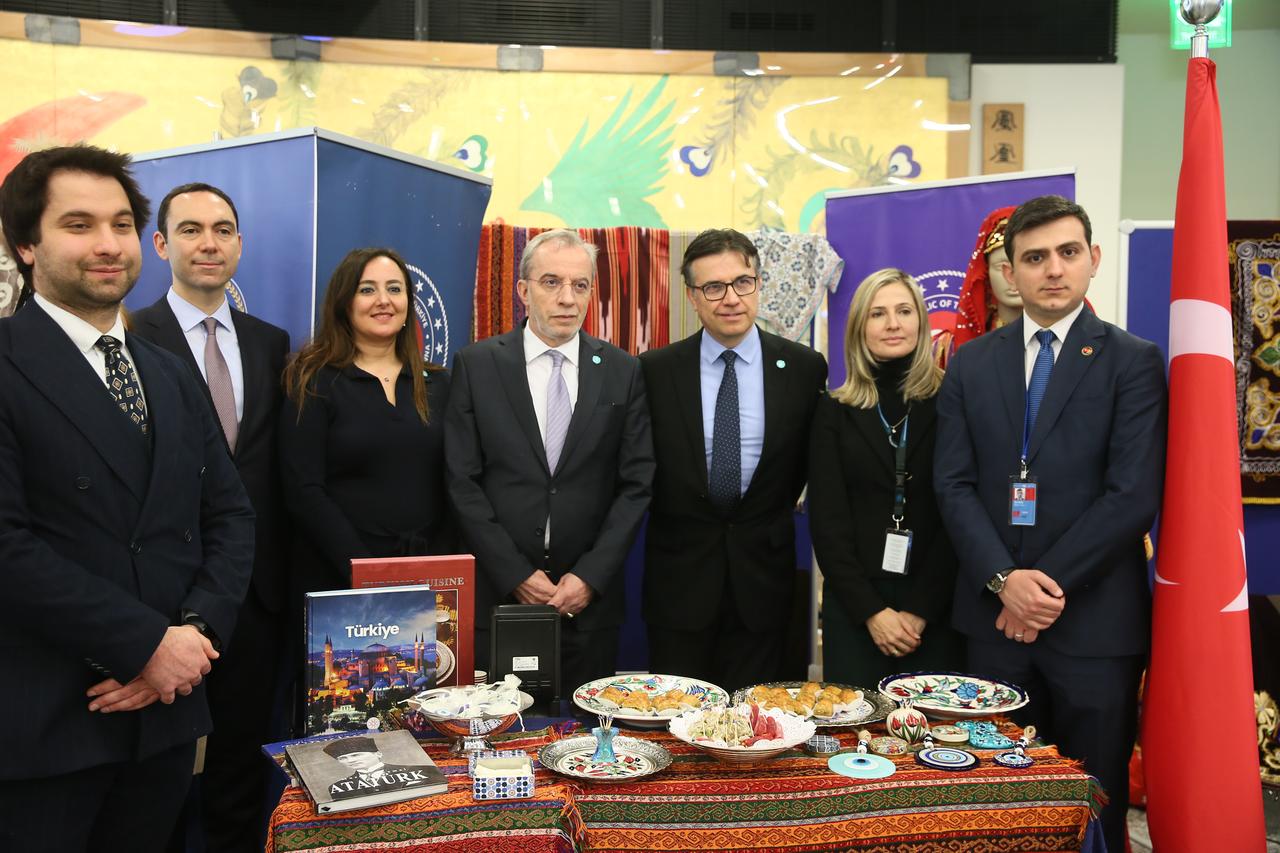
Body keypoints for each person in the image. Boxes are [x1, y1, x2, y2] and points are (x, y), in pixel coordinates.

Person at [0, 145, 254, 852]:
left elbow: (230, 514)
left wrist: (191, 640)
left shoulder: (169, 374)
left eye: (119, 224)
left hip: (165, 718)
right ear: (25, 242)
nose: (108, 245)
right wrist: (142, 645)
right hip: (48, 726)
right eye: (78, 225)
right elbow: (7, 545)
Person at [933, 195, 1168, 853]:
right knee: (998, 803)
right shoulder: (972, 363)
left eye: (1067, 253)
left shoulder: (1132, 361)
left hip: (1094, 629)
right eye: (1034, 257)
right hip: (992, 628)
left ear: (1093, 259)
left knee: (1090, 805)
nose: (1052, 269)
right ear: (1010, 271)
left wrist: (1037, 592)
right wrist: (1003, 580)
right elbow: (951, 484)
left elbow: (1131, 497)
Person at [129, 182, 290, 853]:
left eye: (223, 230)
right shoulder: (132, 335)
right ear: (161, 244)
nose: (209, 243)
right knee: (156, 779)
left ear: (240, 245)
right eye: (191, 230)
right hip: (162, 601)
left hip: (254, 593)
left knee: (237, 765)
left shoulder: (271, 341)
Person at [445, 228, 653, 694]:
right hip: (500, 598)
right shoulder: (477, 365)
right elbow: (462, 481)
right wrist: (516, 574)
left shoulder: (623, 371)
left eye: (580, 285)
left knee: (589, 745)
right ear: (523, 290)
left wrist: (589, 577)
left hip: (589, 607)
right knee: (504, 743)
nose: (567, 298)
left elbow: (636, 484)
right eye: (551, 282)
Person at [640, 228, 826, 691]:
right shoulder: (655, 371)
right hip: (679, 589)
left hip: (765, 586)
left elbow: (808, 467)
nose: (731, 298)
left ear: (759, 284)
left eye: (743, 282)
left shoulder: (803, 368)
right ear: (692, 297)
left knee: (760, 730)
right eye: (713, 287)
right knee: (675, 730)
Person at [808, 268, 963, 688]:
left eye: (903, 311)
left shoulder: (953, 400)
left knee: (932, 745)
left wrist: (919, 610)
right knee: (857, 745)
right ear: (860, 327)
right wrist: (872, 613)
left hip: (935, 610)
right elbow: (827, 522)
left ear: (921, 321)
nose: (893, 324)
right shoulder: (833, 410)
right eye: (878, 314)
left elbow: (961, 513)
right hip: (857, 613)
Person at [279, 247, 454, 600]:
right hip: (338, 579)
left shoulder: (438, 383)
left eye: (394, 288)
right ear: (345, 302)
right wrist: (368, 571)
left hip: (424, 578)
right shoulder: (312, 379)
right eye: (367, 289)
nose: (383, 301)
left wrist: (436, 562)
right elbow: (304, 490)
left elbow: (453, 482)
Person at [322, 737, 438, 800]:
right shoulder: (337, 787)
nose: (350, 760)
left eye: (356, 755)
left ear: (378, 754)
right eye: (343, 758)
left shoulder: (421, 771)